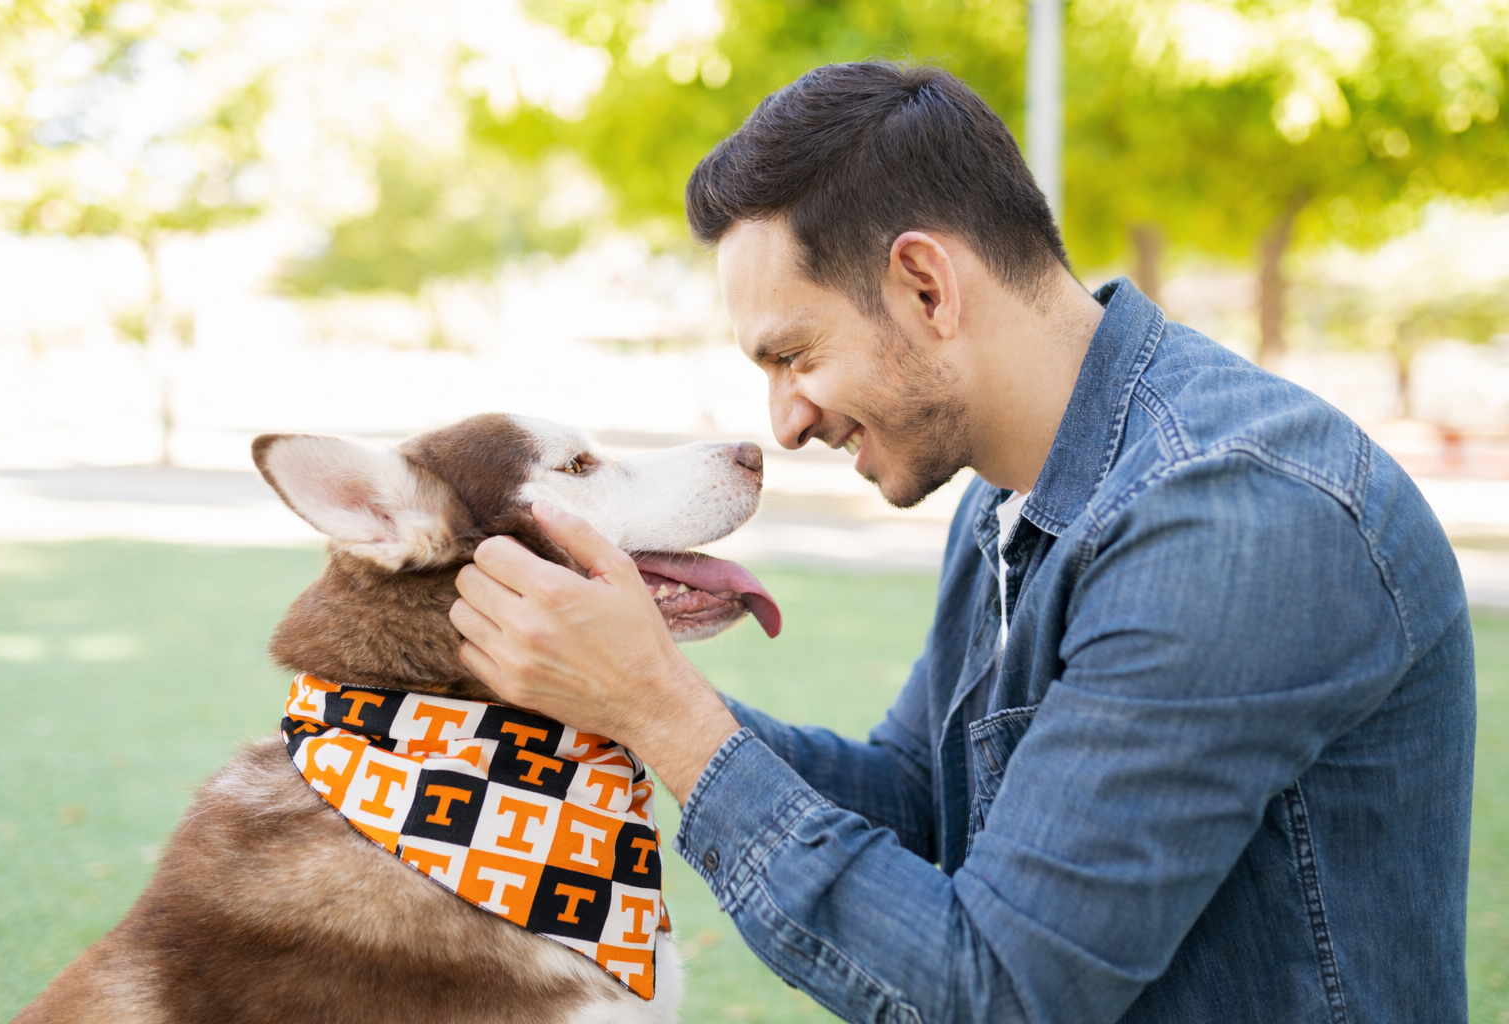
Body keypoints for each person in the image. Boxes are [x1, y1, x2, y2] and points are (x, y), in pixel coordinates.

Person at [448, 62, 1474, 1023]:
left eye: (794, 354)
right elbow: (913, 801)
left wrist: (657, 709)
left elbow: (1000, 991)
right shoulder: (1010, 497)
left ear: (926, 287)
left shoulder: (1234, 518)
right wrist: (615, 681)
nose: (785, 423)